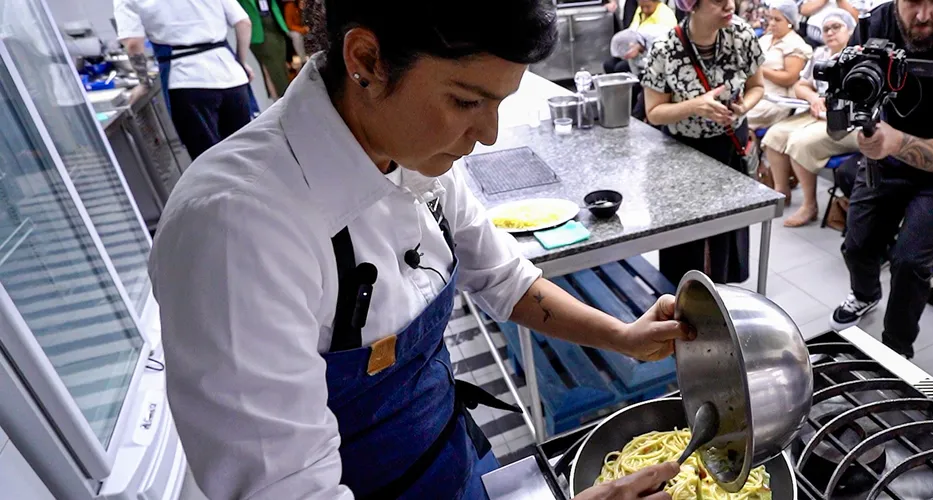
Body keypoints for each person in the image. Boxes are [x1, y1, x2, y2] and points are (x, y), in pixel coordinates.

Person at [148, 1, 694, 499]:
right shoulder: (234, 228)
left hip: (449, 458)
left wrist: (623, 337)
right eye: (465, 100)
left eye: (499, 102)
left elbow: (503, 278)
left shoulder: (412, 155)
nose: (488, 134)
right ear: (367, 59)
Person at [828, 0, 933, 359]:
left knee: (910, 261)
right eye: (912, 1)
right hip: (888, 151)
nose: (922, 16)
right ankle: (864, 294)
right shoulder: (873, 23)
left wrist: (895, 141)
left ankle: (897, 348)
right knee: (857, 243)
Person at [642, 0, 766, 285]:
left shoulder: (742, 35)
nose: (729, 5)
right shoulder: (665, 48)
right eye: (718, 1)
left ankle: (723, 296)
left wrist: (742, 107)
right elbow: (654, 112)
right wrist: (696, 106)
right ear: (692, 6)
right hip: (684, 151)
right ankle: (683, 302)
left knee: (727, 231)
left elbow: (757, 86)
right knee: (686, 239)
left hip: (730, 145)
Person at [115, 0, 255, 160]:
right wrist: (241, 63)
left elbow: (133, 44)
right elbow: (244, 23)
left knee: (210, 161)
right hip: (232, 76)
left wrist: (144, 84)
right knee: (248, 155)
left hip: (187, 81)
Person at [762, 9, 858, 226]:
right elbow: (801, 85)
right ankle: (781, 191)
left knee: (799, 142)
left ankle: (809, 206)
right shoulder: (821, 54)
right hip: (818, 112)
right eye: (826, 29)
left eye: (836, 27)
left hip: (848, 121)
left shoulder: (858, 58)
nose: (830, 32)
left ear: (851, 31)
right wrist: (813, 97)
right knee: (775, 135)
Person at [746, 0, 812, 130]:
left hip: (773, 100)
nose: (772, 23)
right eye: (770, 18)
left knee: (737, 116)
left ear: (790, 22)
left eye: (777, 19)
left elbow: (789, 78)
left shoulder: (795, 44)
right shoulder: (765, 39)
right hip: (750, 91)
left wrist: (760, 69)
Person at [604, 0, 678, 75]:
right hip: (634, 50)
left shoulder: (665, 15)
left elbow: (665, 41)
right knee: (609, 65)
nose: (644, 10)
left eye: (648, 7)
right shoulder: (640, 11)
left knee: (621, 68)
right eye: (642, 7)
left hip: (652, 55)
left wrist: (641, 46)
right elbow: (632, 30)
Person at [238, 0, 292, 98]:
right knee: (271, 69)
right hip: (258, 29)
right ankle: (281, 101)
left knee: (281, 67)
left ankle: (285, 99)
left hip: (275, 24)